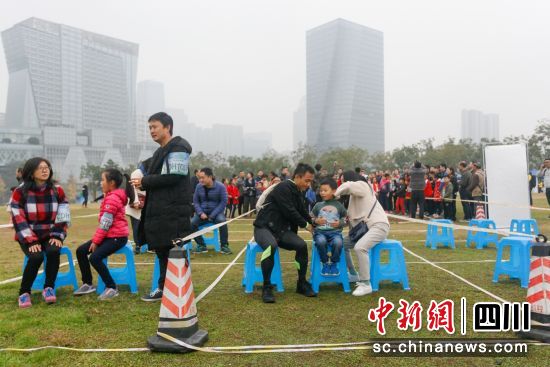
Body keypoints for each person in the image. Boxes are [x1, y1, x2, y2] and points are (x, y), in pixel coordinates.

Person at [132, 112, 193, 302]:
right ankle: (167, 288)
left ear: (167, 127)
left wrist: (146, 181)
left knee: (172, 251)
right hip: (160, 211)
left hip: (172, 211)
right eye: (149, 127)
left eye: (155, 126)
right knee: (162, 252)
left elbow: (174, 176)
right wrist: (142, 180)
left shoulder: (179, 147)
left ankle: (174, 290)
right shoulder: (161, 151)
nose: (151, 131)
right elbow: (151, 170)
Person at [10, 157, 69, 308]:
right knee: (36, 257)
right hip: (29, 235)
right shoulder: (20, 192)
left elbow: (64, 213)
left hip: (51, 234)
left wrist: (57, 235)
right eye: (40, 168)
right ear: (31, 172)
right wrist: (31, 240)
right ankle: (24, 293)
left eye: (47, 167)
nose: (45, 170)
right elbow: (18, 218)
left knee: (53, 251)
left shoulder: (57, 189)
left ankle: (48, 288)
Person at [253, 163, 317, 303]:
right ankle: (267, 286)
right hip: (264, 228)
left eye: (311, 181)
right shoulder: (283, 187)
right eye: (307, 180)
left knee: (301, 246)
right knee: (271, 246)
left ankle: (301, 283)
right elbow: (290, 211)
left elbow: (302, 211)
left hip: (281, 231)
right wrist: (306, 225)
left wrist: (314, 223)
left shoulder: (299, 192)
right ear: (297, 177)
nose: (308, 184)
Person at [74, 169, 133, 300]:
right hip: (110, 236)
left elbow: (105, 224)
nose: (101, 183)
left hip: (117, 237)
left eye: (103, 180)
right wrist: (96, 240)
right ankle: (88, 283)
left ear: (111, 183)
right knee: (81, 251)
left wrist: (96, 241)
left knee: (94, 258)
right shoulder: (111, 195)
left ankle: (111, 287)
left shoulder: (112, 198)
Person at [335, 171, 390, 297]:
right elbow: (351, 222)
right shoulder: (353, 197)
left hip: (378, 226)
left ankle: (366, 284)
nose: (342, 182)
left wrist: (334, 194)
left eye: (343, 180)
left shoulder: (362, 185)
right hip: (363, 231)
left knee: (360, 247)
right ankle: (354, 274)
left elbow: (348, 185)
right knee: (340, 243)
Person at [311, 178, 347, 276]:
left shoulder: (339, 205)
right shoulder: (318, 205)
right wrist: (315, 221)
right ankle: (325, 263)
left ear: (334, 191)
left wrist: (340, 223)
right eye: (321, 190)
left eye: (325, 190)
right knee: (321, 242)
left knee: (338, 242)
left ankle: (334, 263)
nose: (322, 193)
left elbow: (345, 219)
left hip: (335, 233)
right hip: (320, 233)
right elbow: (310, 218)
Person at [192, 167, 232, 254]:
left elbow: (223, 202)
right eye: (199, 178)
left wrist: (212, 215)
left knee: (222, 222)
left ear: (210, 177)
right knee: (191, 224)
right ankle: (201, 245)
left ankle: (224, 246)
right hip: (202, 213)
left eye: (203, 178)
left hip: (216, 213)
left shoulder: (221, 187)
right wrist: (200, 213)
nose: (201, 180)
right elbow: (195, 201)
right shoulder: (198, 187)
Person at [127, 159, 150, 254]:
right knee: (137, 225)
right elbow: (132, 188)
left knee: (143, 225)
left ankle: (144, 245)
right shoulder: (137, 173)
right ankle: (137, 246)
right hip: (136, 204)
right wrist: (136, 202)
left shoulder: (145, 173)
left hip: (144, 202)